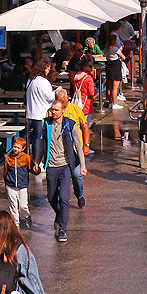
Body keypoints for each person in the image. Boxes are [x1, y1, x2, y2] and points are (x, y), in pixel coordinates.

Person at [33, 99, 86, 243]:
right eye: (52, 109)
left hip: (65, 166)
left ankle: (63, 229)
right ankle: (60, 214)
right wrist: (37, 161)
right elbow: (41, 143)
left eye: (56, 110)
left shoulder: (70, 125)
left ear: (63, 110)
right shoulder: (46, 123)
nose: (53, 112)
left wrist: (82, 165)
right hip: (51, 166)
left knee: (64, 198)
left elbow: (78, 146)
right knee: (51, 198)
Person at [48, 89, 90, 207]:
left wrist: (86, 145)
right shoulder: (51, 112)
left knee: (77, 176)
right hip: (58, 153)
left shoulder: (75, 109)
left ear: (67, 98)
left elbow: (85, 127)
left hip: (74, 152)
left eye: (62, 100)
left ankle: (79, 194)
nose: (60, 103)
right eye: (57, 100)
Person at [4, 138, 40, 229]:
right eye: (14, 147)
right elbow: (5, 171)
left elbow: (32, 169)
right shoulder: (8, 158)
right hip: (11, 185)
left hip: (22, 185)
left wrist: (36, 170)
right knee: (13, 206)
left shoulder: (26, 158)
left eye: (18, 148)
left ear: (23, 149)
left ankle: (26, 216)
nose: (16, 149)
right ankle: (16, 224)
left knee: (23, 206)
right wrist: (6, 184)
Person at [26, 58, 56, 155]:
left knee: (36, 138)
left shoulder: (31, 80)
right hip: (42, 113)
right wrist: (57, 90)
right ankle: (40, 160)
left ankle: (36, 159)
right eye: (48, 69)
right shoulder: (43, 81)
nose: (48, 71)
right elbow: (50, 97)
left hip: (32, 112)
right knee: (41, 138)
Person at [104, 23, 126, 110]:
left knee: (109, 87)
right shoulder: (115, 49)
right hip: (115, 68)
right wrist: (121, 50)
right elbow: (123, 57)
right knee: (115, 88)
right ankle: (115, 103)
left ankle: (110, 102)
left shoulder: (106, 49)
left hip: (109, 67)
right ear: (114, 41)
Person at [70, 57, 97, 124]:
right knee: (85, 125)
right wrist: (95, 92)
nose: (92, 67)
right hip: (86, 104)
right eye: (90, 66)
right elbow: (91, 93)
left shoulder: (77, 76)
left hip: (77, 102)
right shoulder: (88, 78)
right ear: (84, 67)